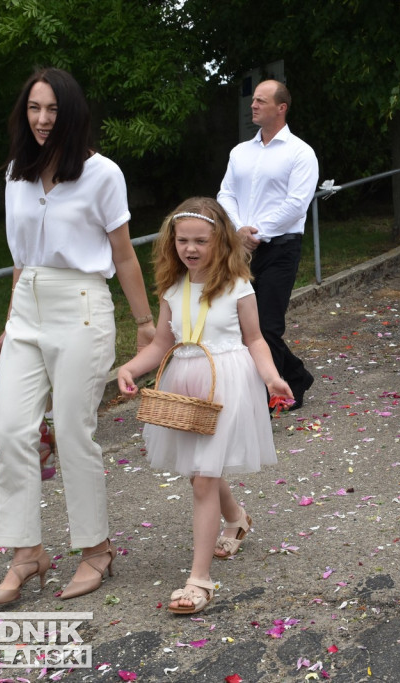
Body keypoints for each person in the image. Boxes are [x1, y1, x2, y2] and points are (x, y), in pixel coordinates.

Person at [0, 68, 156, 605]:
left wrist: (147, 325)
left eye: (52, 109)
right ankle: (25, 553)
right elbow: (20, 260)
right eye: (34, 108)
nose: (41, 119)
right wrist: (11, 319)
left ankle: (95, 549)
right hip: (27, 311)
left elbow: (123, 254)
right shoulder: (16, 172)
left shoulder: (102, 174)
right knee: (10, 432)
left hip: (81, 306)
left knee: (75, 431)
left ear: (71, 112)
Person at [117, 198, 292, 614]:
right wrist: (129, 367)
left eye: (200, 241)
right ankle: (237, 519)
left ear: (222, 243)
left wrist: (271, 377)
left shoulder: (238, 287)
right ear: (171, 242)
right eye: (182, 240)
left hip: (227, 381)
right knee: (202, 470)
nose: (190, 249)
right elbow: (162, 343)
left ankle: (199, 580)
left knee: (202, 478)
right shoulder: (173, 289)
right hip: (186, 382)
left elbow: (255, 340)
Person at [217, 79, 318, 410]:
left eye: (261, 100)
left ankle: (262, 402)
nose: (253, 105)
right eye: (253, 100)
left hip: (280, 248)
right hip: (240, 250)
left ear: (281, 107)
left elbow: (296, 204)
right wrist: (239, 230)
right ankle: (295, 375)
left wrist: (256, 233)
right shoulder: (240, 152)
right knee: (245, 325)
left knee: (267, 325)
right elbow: (225, 194)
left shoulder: (300, 153)